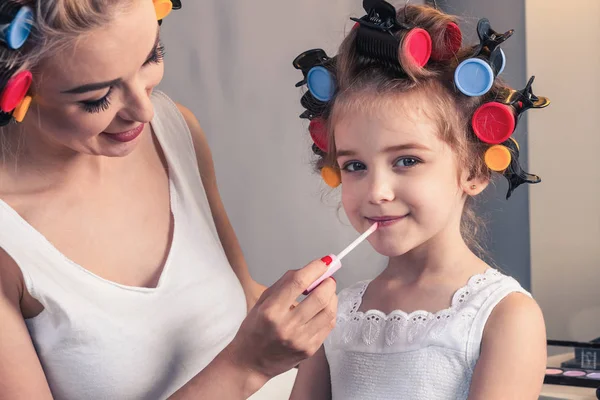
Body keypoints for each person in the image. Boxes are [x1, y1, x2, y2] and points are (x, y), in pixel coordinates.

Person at [0, 1, 337, 399]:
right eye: (97, 98)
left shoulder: (173, 129)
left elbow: (241, 297)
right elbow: (249, 354)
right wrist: (247, 366)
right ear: (15, 89)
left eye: (151, 57)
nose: (144, 111)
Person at [290, 2, 549, 399]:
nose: (377, 190)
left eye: (407, 160)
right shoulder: (332, 315)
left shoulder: (505, 317)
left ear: (475, 172)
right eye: (355, 165)